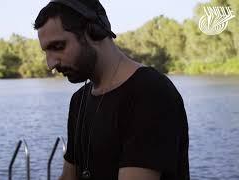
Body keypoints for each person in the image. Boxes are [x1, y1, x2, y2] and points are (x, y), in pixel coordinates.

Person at [34, 0, 189, 179]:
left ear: (94, 32)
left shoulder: (150, 93)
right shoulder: (80, 100)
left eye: (58, 46)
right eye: (46, 51)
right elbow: (70, 176)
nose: (50, 64)